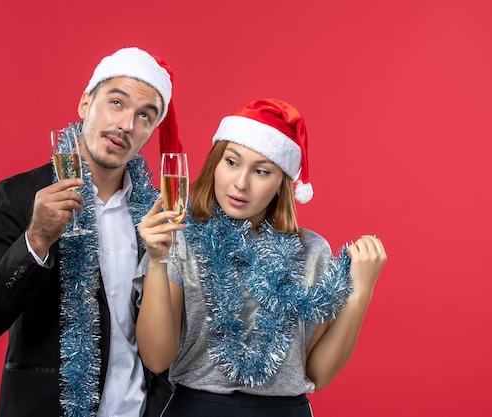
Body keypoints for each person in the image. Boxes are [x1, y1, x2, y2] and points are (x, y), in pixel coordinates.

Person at [0, 47, 182, 417]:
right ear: (85, 104)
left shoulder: (159, 213)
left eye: (145, 115)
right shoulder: (18, 196)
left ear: (151, 131)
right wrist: (36, 240)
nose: (126, 124)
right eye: (117, 102)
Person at [135, 98, 387, 416]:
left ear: (281, 182)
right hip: (198, 407)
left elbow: (318, 373)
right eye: (231, 162)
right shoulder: (178, 239)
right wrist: (158, 261)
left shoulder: (312, 252)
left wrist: (361, 290)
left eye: (262, 171)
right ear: (215, 163)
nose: (241, 183)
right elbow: (157, 358)